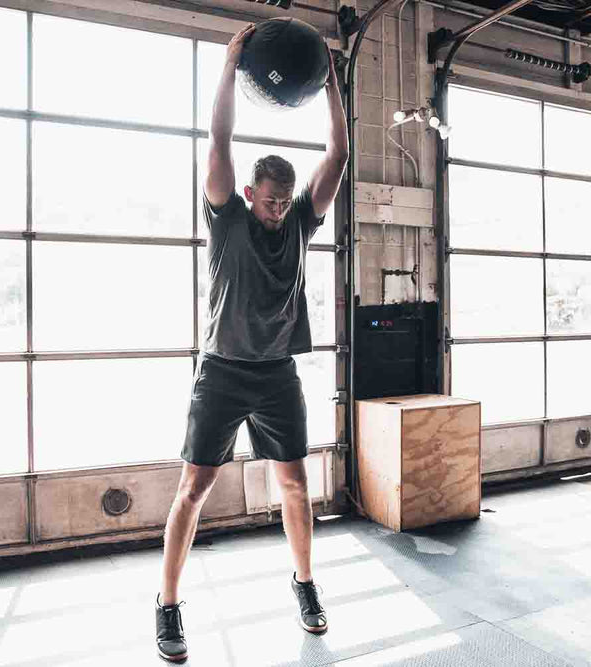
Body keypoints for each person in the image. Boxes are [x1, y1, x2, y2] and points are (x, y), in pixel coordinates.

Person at [155, 23, 349, 663]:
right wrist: (229, 65)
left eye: (284, 202)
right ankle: (168, 604)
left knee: (295, 484)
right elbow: (219, 140)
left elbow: (338, 155)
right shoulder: (226, 218)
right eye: (269, 201)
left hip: (275, 374)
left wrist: (331, 82)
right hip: (221, 372)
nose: (277, 210)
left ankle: (305, 584)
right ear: (247, 195)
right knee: (194, 490)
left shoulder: (298, 224)